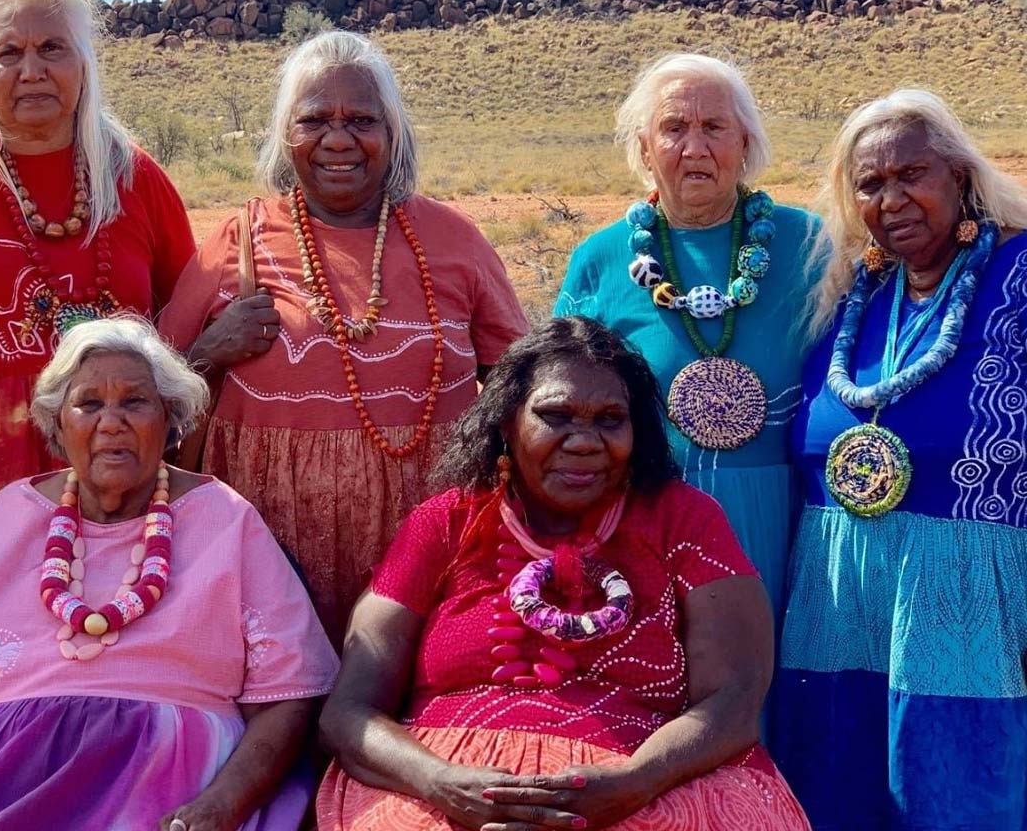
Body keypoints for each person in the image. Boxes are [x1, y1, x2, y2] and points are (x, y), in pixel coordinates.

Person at [317, 317, 809, 830]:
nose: (583, 442)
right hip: (442, 787)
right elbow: (349, 711)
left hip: (654, 781)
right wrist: (439, 782)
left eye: (610, 419)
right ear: (506, 421)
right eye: (556, 416)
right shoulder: (446, 521)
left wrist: (634, 783)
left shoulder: (686, 520)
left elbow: (734, 701)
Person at [0, 317, 339, 831]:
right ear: (58, 426)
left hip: (166, 784)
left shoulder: (226, 519)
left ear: (169, 419)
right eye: (89, 403)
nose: (111, 422)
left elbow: (289, 695)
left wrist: (222, 805)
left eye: (134, 401)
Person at [158, 31, 527, 643]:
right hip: (268, 535)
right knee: (283, 696)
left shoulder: (453, 237)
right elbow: (155, 387)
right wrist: (210, 351)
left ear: (393, 133)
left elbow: (519, 382)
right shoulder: (238, 237)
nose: (337, 139)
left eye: (361, 119)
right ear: (285, 135)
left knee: (408, 702)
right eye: (314, 120)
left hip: (430, 533)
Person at [773, 90, 1027, 830]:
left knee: (962, 800)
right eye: (870, 183)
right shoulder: (856, 294)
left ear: (959, 176)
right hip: (835, 611)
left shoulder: (1017, 275)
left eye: (912, 173)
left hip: (970, 613)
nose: (893, 198)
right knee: (834, 797)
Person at [0, 0, 195, 522]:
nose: (30, 70)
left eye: (52, 48)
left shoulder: (133, 175)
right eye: (8, 52)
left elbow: (185, 323)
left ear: (84, 63)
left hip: (111, 465)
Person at [553, 53, 817, 617]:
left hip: (795, 517)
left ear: (745, 141)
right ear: (645, 148)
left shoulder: (813, 247)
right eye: (673, 128)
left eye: (714, 127)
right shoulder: (600, 260)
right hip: (650, 517)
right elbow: (557, 401)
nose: (694, 148)